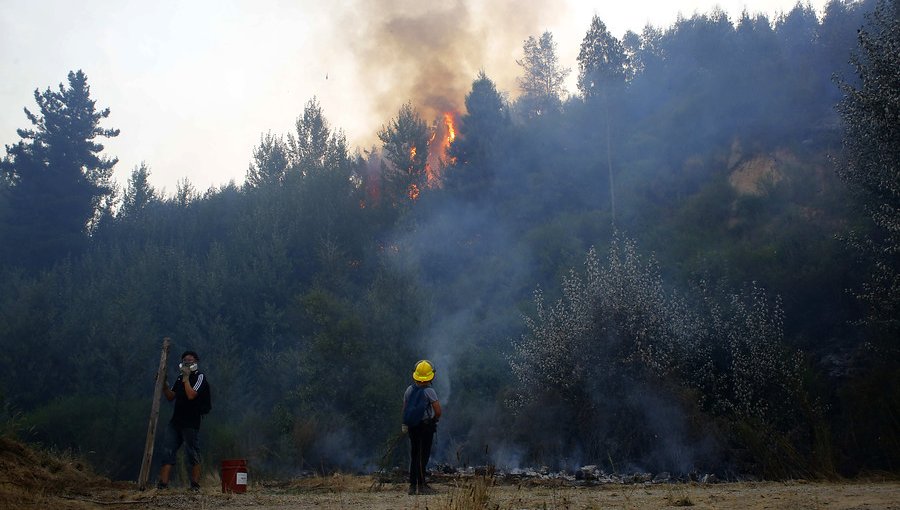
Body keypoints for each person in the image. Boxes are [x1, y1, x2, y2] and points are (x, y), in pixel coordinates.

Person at [156, 350, 211, 491]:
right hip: (176, 422)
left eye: (190, 360)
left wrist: (187, 379)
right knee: (167, 451)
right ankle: (163, 485)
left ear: (196, 362)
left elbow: (191, 395)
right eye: (185, 360)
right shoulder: (180, 378)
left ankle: (195, 485)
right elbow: (170, 396)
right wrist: (164, 385)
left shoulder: (200, 377)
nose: (187, 363)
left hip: (191, 423)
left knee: (192, 453)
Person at [401, 359, 442, 495]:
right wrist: (434, 420)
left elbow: (405, 409)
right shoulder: (429, 391)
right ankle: (422, 485)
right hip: (425, 427)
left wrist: (405, 423)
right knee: (423, 456)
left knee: (414, 455)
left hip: (412, 427)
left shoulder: (409, 389)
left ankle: (412, 486)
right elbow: (438, 411)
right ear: (431, 375)